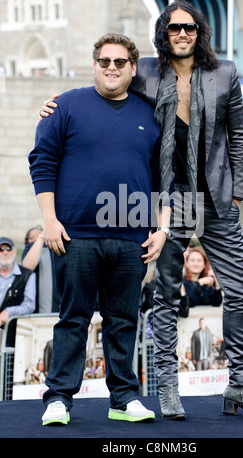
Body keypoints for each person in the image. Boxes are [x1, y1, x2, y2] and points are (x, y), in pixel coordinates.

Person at [39, 0, 243, 419]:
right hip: (168, 197)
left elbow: (238, 135)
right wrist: (56, 104)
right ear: (163, 34)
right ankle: (168, 388)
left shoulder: (225, 73)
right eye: (174, 29)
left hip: (216, 196)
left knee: (241, 289)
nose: (182, 34)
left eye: (189, 27)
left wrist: (237, 192)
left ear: (200, 31)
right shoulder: (145, 71)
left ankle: (241, 385)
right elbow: (107, 81)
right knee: (166, 296)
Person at [29, 33, 167, 426]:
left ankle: (123, 399)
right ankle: (58, 398)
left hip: (132, 239)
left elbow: (164, 178)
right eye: (104, 60)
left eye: (120, 62)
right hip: (75, 235)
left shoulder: (149, 114)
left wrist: (162, 229)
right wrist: (50, 221)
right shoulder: (64, 106)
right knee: (73, 318)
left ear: (132, 68)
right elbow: (42, 162)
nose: (111, 67)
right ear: (95, 64)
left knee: (124, 320)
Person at [0, 237, 36, 346]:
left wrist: (8, 312)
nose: (5, 252)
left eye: (8, 248)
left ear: (15, 252)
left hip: (12, 336)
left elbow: (29, 305)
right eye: (1, 249)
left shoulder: (28, 275)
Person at [22, 229, 60, 313]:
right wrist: (41, 237)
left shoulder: (53, 248)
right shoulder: (30, 249)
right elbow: (27, 267)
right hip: (39, 310)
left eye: (39, 234)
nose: (35, 239)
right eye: (31, 238)